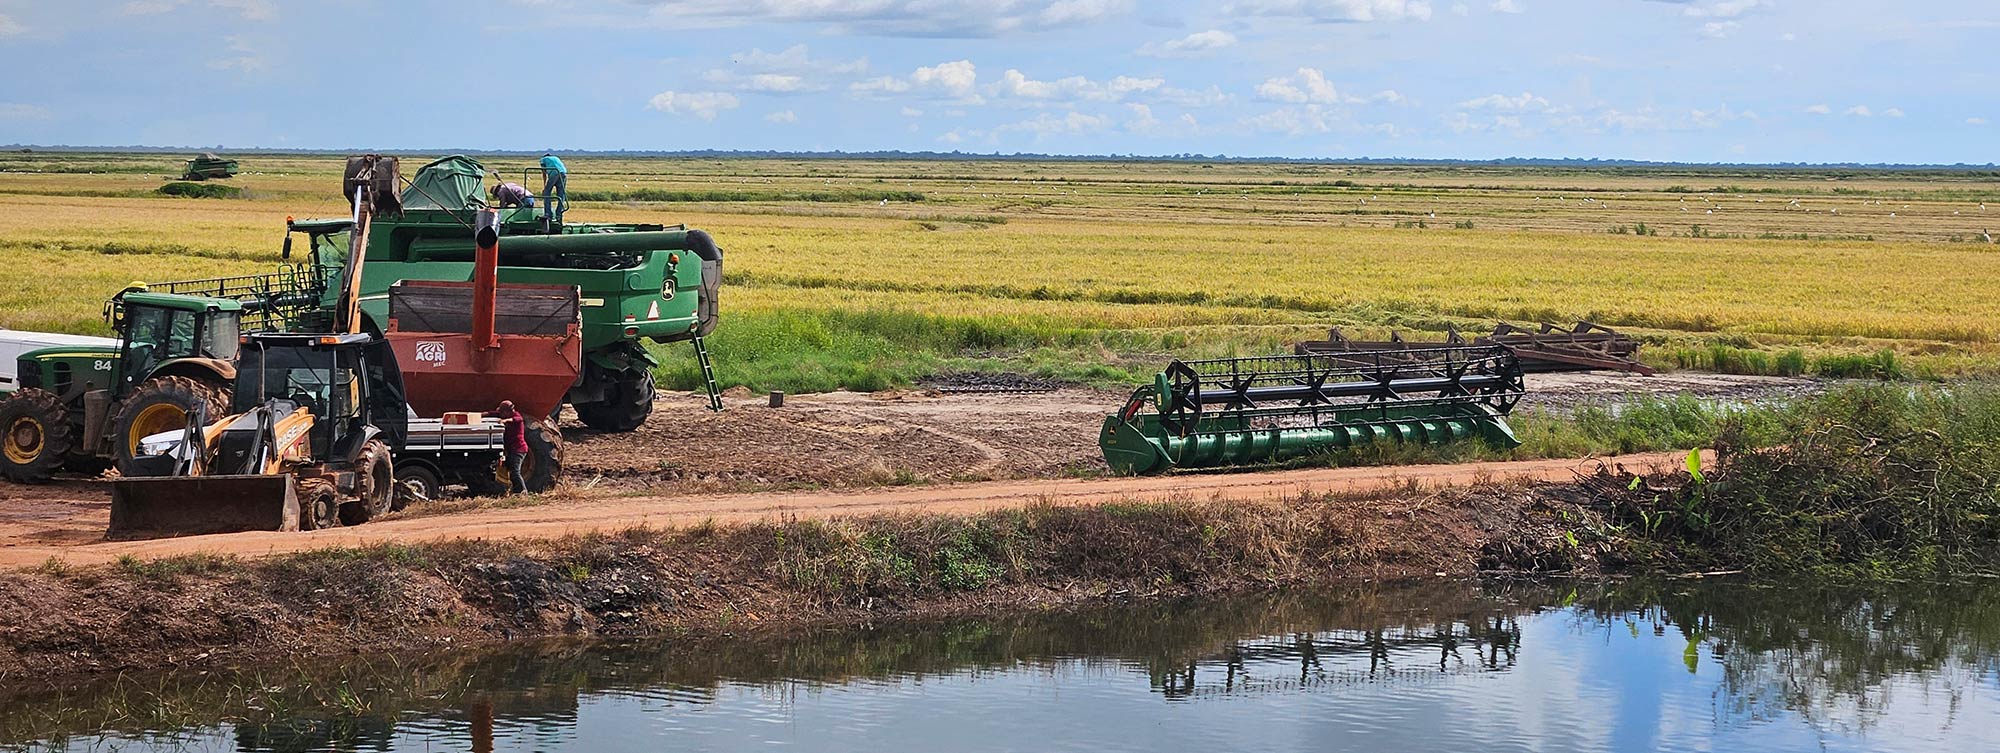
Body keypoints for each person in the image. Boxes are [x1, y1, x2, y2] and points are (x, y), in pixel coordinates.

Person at [484, 400, 530, 494]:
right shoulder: (504, 414)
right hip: (512, 449)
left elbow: (515, 419)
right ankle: (516, 492)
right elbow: (492, 413)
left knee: (515, 472)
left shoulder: (517, 417)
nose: (501, 414)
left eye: (502, 412)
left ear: (508, 412)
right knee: (509, 470)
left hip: (519, 449)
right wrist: (480, 415)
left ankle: (523, 491)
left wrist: (504, 421)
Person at [539, 152, 568, 221]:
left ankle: (548, 214)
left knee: (546, 193)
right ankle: (559, 214)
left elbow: (544, 174)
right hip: (564, 173)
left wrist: (545, 187)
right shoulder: (556, 158)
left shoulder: (543, 159)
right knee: (561, 194)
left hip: (554, 173)